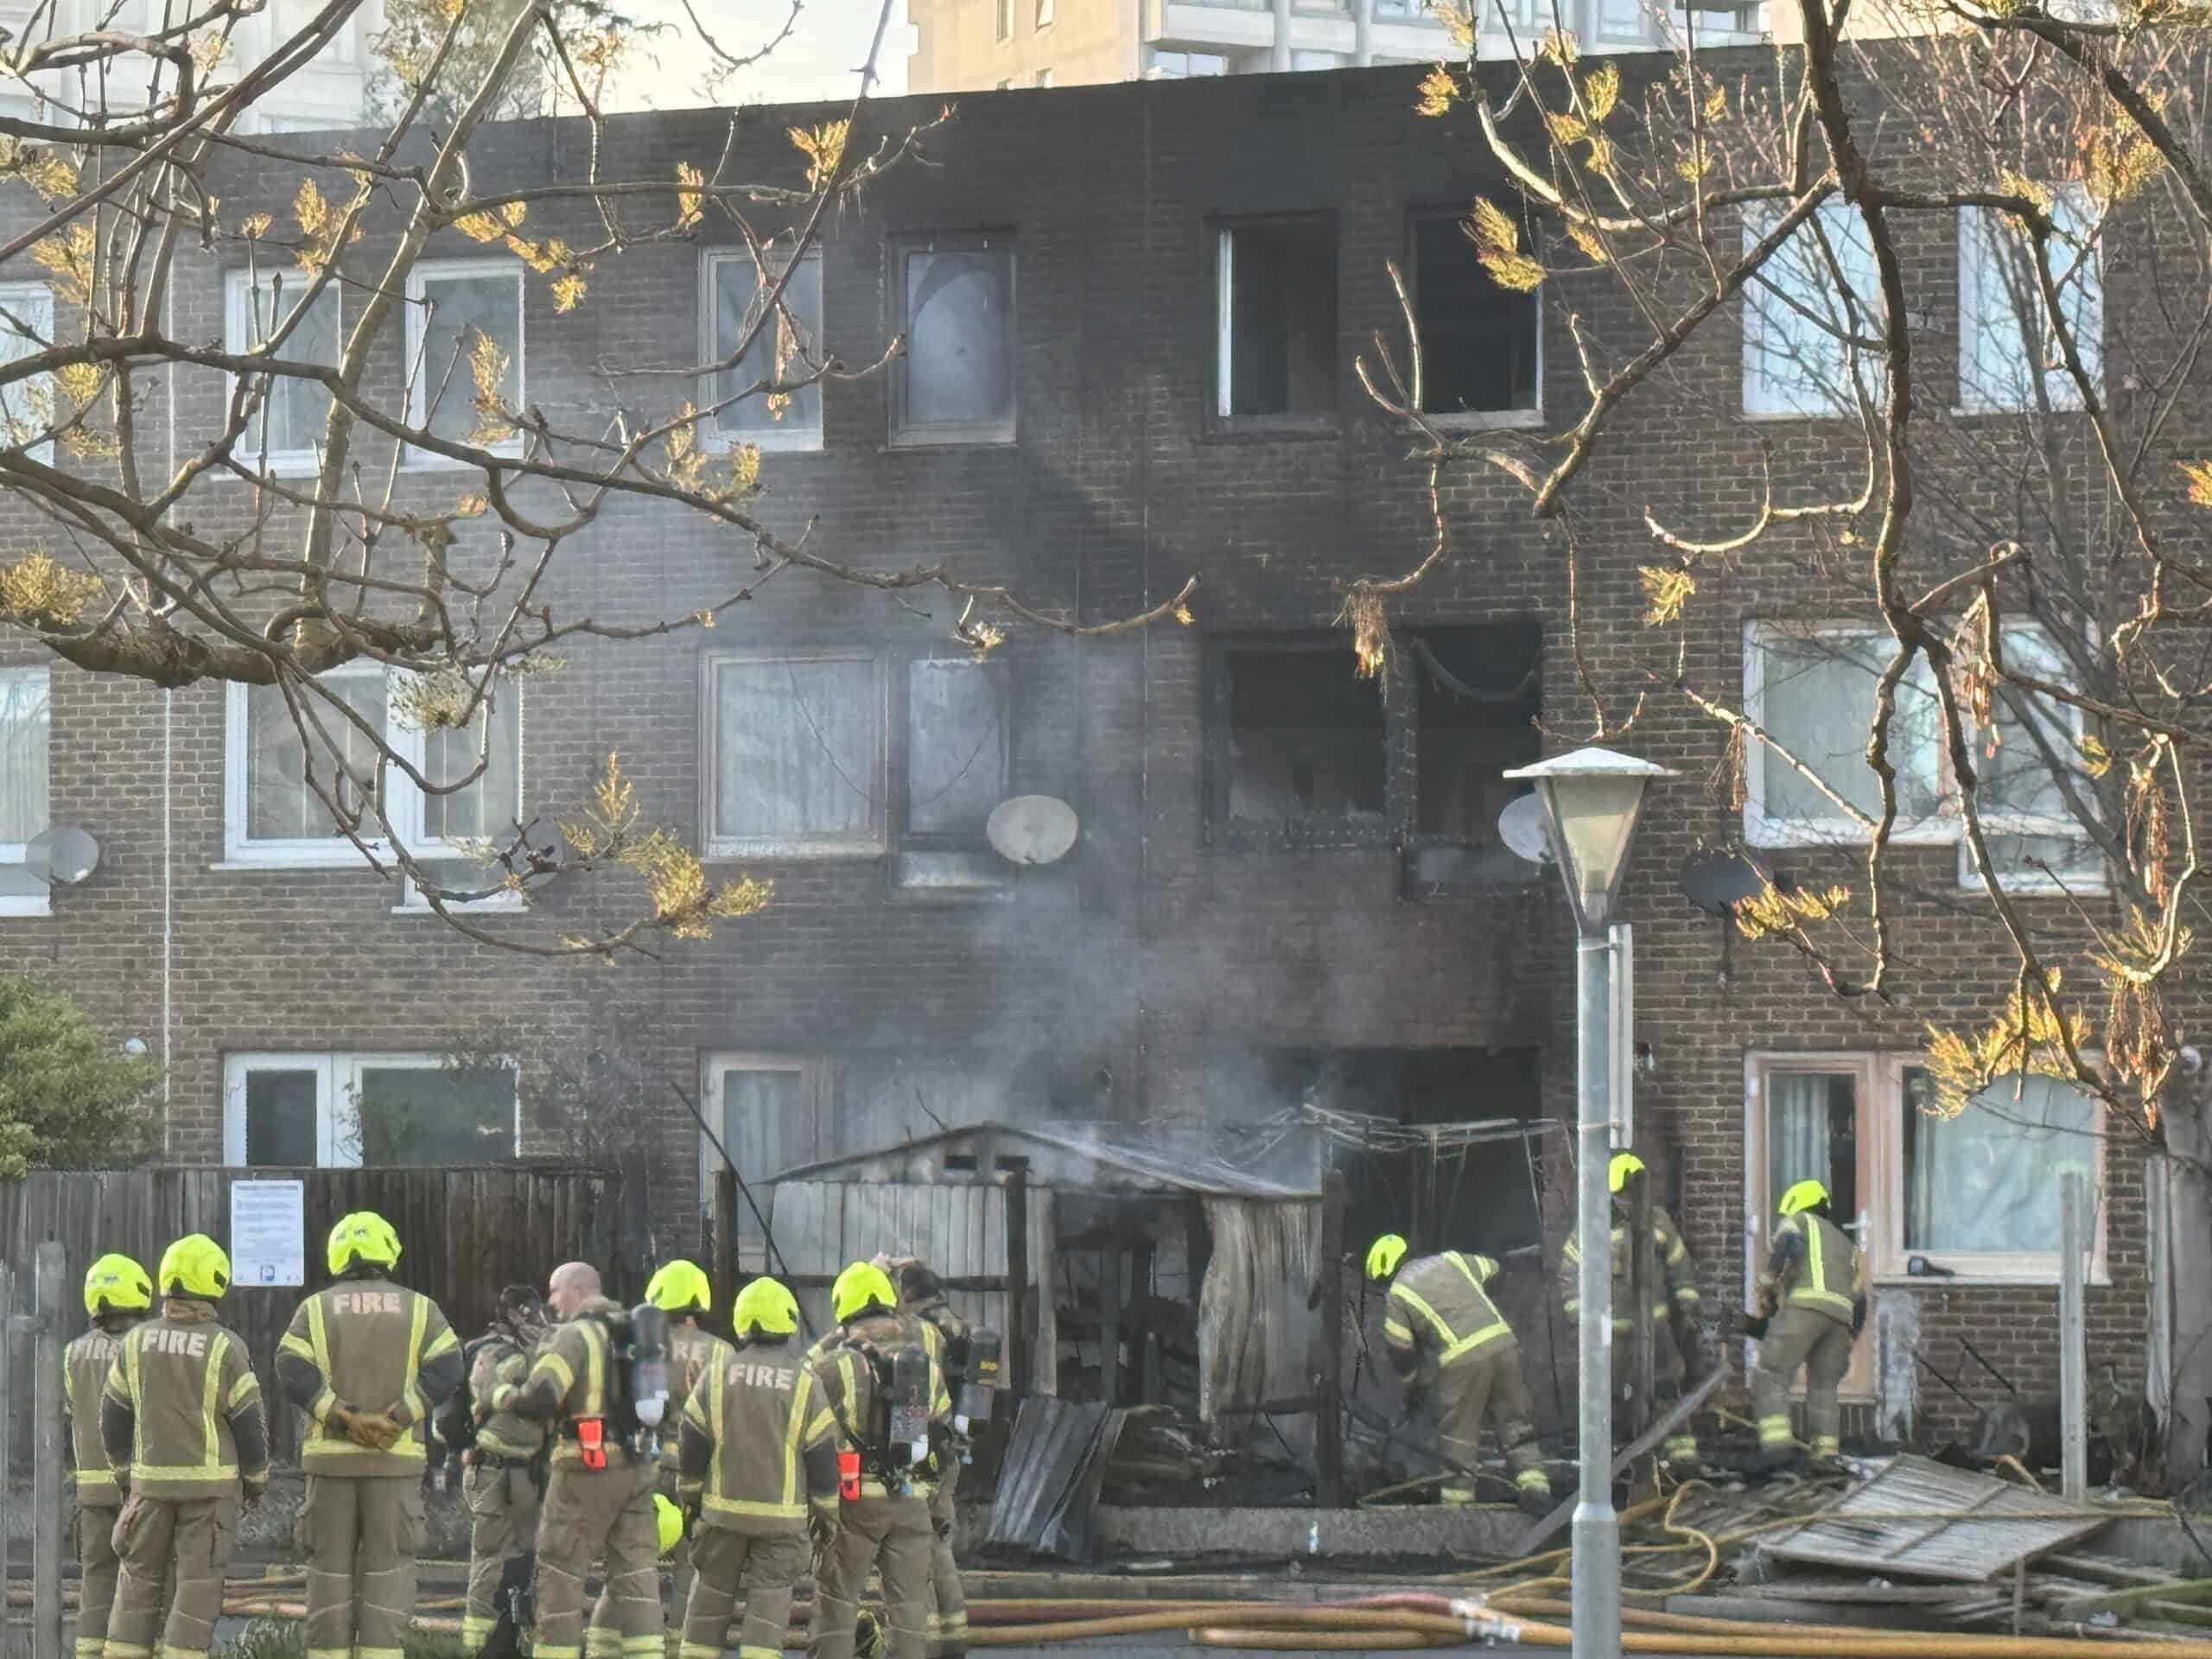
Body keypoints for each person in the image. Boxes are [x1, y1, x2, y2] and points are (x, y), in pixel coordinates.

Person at [276, 1211, 463, 1659]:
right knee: (389, 1572)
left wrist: (341, 1417)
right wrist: (397, 1418)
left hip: (330, 1467)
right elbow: (449, 1367)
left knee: (328, 1574)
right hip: (394, 1465)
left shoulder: (315, 1309)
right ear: (389, 1252)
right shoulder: (421, 1309)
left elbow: (289, 1368)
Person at [99, 1235, 270, 1659]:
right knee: (195, 1593)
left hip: (149, 1491)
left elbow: (112, 1417)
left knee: (136, 1590)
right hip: (208, 1498)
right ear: (214, 1282)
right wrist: (256, 1482)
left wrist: (124, 1477)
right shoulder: (225, 1346)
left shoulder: (135, 1343)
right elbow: (250, 1424)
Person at [491, 1261, 663, 1659]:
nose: (551, 1301)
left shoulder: (574, 1336)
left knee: (560, 1575)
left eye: (555, 1291)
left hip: (585, 1469)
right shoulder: (636, 1334)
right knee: (636, 1576)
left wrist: (502, 1396)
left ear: (580, 1290)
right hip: (636, 1467)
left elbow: (542, 1397)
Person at [673, 1276, 839, 1659]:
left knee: (709, 1599)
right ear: (789, 1321)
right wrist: (827, 1514)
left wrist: (690, 1500)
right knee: (769, 1605)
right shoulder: (804, 1383)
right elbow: (822, 1455)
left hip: (720, 1516)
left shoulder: (716, 1375)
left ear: (741, 1320)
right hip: (782, 1522)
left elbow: (692, 1441)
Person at [810, 1262, 950, 1659]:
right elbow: (943, 1438)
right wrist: (932, 1500)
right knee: (909, 1610)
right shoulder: (926, 1366)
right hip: (913, 1497)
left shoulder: (834, 1364)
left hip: (855, 1501)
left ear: (844, 1310)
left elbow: (800, 1410)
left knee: (837, 1602)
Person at [1366, 1235, 1550, 1516]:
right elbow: (1495, 1269)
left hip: (1462, 1358)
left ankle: (1457, 1509)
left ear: (1386, 1272)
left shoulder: (1398, 1293)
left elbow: (1400, 1351)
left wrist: (1413, 1384)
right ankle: (1536, 1487)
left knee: (1458, 1437)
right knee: (1514, 1420)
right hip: (1503, 1343)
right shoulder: (1452, 1259)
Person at [1558, 1152, 1706, 1476]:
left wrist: (1687, 1307)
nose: (1624, 1201)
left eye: (1629, 1193)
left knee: (1667, 1390)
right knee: (1613, 1398)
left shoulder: (1658, 1222)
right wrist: (1581, 1324)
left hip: (1657, 1331)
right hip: (1611, 1337)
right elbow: (1571, 1278)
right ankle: (1618, 1463)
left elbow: (1681, 1268)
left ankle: (1682, 1461)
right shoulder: (1590, 1228)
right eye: (1619, 1194)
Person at [448, 1284, 550, 1655]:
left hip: (526, 1475)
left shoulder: (529, 1349)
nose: (535, 1319)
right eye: (527, 1312)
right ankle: (481, 1650)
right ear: (511, 1313)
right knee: (490, 1565)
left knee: (526, 1565)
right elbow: (504, 1392)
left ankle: (515, 1642)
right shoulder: (492, 1352)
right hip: (493, 1473)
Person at [882, 1258, 972, 1659]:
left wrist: (876, 1273)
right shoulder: (952, 1325)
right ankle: (953, 1640)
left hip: (914, 1444)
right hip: (947, 1444)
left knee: (913, 1546)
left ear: (907, 1294)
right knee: (939, 1544)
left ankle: (927, 1642)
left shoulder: (909, 1329)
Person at [65, 1255, 152, 1659]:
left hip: (92, 1493)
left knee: (96, 1582)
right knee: (143, 1581)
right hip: (141, 1490)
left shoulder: (73, 1354)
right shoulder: (143, 1348)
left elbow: (70, 1411)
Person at [1750, 1179, 1865, 1471]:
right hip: (1841, 1320)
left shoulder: (1799, 1221)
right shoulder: (1846, 1244)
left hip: (1805, 1308)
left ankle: (1777, 1451)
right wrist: (1851, 1334)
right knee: (1824, 1386)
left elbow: (1785, 1250)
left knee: (1771, 1374)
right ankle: (1825, 1456)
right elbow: (1861, 1299)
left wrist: (1765, 1285)